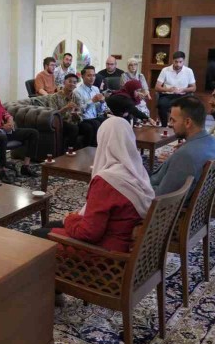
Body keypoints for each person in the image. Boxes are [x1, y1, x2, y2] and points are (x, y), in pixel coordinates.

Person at [32, 116, 155, 253]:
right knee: (51, 225)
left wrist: (69, 220)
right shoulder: (138, 171)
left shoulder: (107, 180)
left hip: (106, 254)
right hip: (125, 241)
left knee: (37, 236)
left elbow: (89, 234)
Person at [150, 96, 215, 196]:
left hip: (155, 200)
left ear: (188, 122)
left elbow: (162, 196)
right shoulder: (212, 142)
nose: (170, 124)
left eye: (173, 120)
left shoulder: (185, 155)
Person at [0, 74, 39, 179]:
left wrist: (10, 120)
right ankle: (3, 170)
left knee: (33, 133)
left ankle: (26, 166)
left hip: (5, 130)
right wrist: (2, 126)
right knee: (2, 137)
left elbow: (5, 113)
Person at [154, 51, 196, 126]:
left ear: (183, 61)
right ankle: (164, 126)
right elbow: (157, 87)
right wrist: (168, 89)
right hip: (167, 95)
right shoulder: (165, 70)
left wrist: (183, 89)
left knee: (186, 106)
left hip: (182, 96)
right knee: (161, 104)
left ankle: (180, 126)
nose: (178, 64)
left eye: (180, 62)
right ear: (172, 60)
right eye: (176, 62)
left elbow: (193, 88)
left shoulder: (189, 71)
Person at [47, 73, 86, 149]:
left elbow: (81, 112)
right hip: (61, 122)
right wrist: (65, 108)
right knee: (73, 128)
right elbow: (52, 115)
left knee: (88, 127)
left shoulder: (76, 97)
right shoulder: (54, 97)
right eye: (70, 81)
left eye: (74, 82)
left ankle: (84, 151)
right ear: (64, 82)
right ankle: (70, 151)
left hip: (74, 121)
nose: (72, 84)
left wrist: (76, 114)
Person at [75, 66, 107, 147]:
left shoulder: (96, 89)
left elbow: (100, 111)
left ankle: (103, 148)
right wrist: (92, 101)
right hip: (82, 119)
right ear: (82, 77)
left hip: (94, 117)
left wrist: (102, 102)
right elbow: (79, 111)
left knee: (107, 122)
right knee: (95, 125)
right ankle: (90, 150)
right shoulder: (77, 91)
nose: (92, 78)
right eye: (89, 75)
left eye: (93, 75)